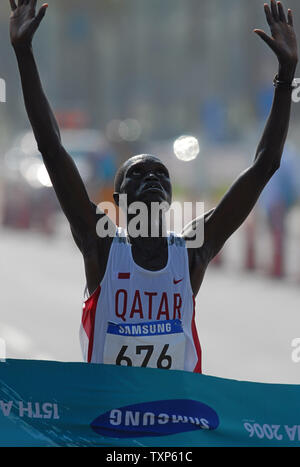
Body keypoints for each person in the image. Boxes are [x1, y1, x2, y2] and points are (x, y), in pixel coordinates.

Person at [9, 0, 298, 371]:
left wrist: (286, 75)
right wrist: (23, 51)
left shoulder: (193, 252)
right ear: (118, 199)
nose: (150, 179)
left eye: (160, 175)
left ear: (170, 197)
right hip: (108, 422)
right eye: (137, 174)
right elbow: (50, 146)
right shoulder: (101, 248)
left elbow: (264, 166)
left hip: (174, 425)